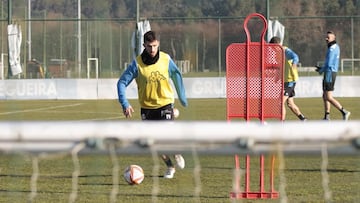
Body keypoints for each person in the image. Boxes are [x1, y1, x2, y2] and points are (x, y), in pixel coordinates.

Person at [117, 30, 188, 179]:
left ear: (158, 44)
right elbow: (122, 82)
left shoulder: (166, 59)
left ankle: (176, 151)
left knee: (166, 135)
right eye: (149, 46)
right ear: (144, 45)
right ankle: (170, 167)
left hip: (165, 103)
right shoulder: (137, 64)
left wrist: (182, 97)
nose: (152, 49)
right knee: (154, 144)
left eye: (155, 46)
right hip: (147, 109)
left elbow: (176, 75)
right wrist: (125, 103)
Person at [269, 36, 307, 121]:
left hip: (290, 81)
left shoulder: (285, 51)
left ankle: (282, 124)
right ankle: (303, 119)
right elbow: (280, 68)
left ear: (276, 45)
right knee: (290, 104)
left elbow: (295, 56)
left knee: (280, 102)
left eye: (272, 47)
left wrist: (294, 63)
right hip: (285, 81)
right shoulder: (277, 54)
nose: (272, 49)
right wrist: (276, 79)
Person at [315, 31, 350, 121]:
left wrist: (321, 70)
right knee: (324, 95)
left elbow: (329, 64)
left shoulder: (331, 49)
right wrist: (322, 68)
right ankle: (327, 116)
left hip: (329, 73)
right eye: (326, 37)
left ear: (333, 38)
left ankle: (344, 112)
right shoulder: (335, 47)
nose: (326, 39)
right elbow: (329, 63)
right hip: (329, 72)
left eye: (328, 37)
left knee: (328, 97)